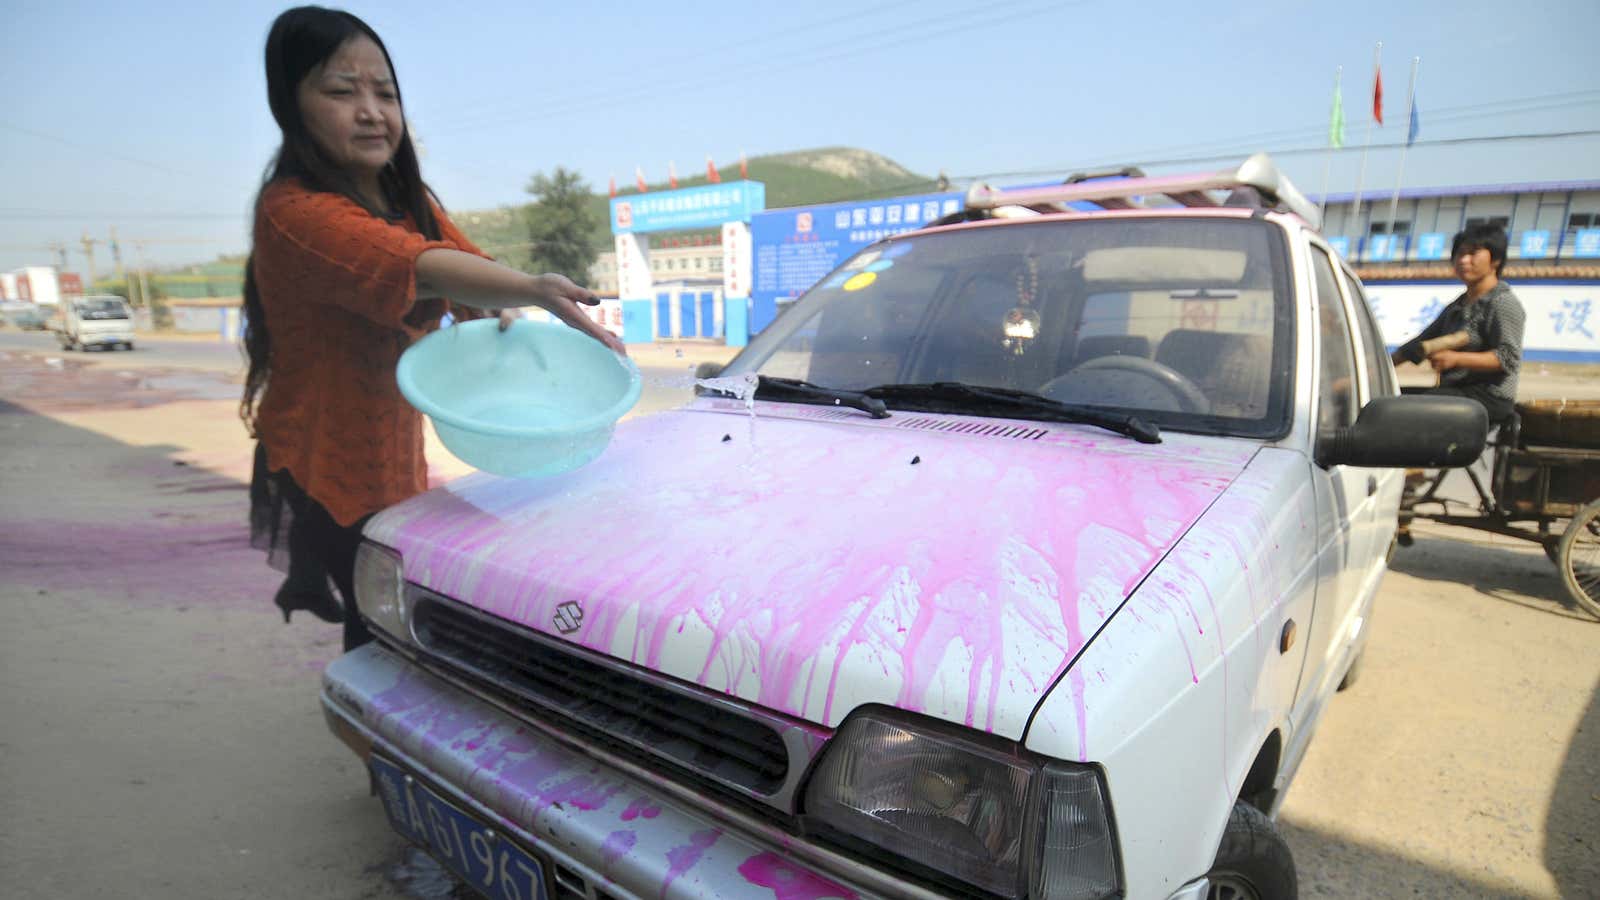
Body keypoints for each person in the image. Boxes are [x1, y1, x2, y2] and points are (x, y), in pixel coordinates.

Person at [242, 6, 626, 651]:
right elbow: (411, 264)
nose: (371, 111)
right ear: (292, 105)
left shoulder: (407, 203)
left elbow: (465, 265)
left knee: (395, 606)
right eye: (341, 91)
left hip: (391, 450)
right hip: (323, 460)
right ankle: (382, 742)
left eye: (385, 93)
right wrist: (529, 288)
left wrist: (497, 297)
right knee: (382, 622)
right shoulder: (292, 212)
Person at [1390, 223, 1525, 424]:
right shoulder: (1458, 306)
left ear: (1495, 260)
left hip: (1488, 398)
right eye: (1460, 254)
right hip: (1455, 392)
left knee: (1399, 412)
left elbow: (1509, 358)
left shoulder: (1502, 303)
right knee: (1385, 398)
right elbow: (1418, 345)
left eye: (1472, 253)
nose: (1463, 260)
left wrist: (1457, 359)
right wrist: (1380, 366)